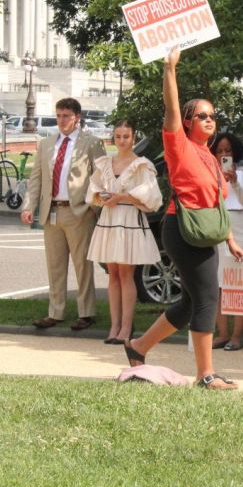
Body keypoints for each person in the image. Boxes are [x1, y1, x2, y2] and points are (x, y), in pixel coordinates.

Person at [122, 47, 243, 390]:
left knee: (192, 302)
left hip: (204, 232)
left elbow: (216, 204)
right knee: (208, 298)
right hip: (183, 230)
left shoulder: (209, 155)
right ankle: (206, 375)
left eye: (213, 116)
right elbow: (172, 108)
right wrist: (169, 70)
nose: (210, 120)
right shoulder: (180, 145)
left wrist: (231, 239)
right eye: (203, 115)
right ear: (189, 122)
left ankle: (138, 346)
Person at [21, 97, 106, 330]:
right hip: (52, 212)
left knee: (82, 265)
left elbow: (101, 179)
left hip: (78, 211)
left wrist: (95, 209)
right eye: (58, 115)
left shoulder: (91, 143)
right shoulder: (47, 144)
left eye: (66, 115)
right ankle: (55, 312)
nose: (61, 120)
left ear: (77, 117)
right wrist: (29, 206)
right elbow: (36, 178)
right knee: (55, 265)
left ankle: (86, 313)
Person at [86, 120, 163, 344]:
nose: (122, 141)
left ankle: (126, 327)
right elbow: (93, 189)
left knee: (126, 274)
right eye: (118, 136)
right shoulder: (104, 163)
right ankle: (114, 326)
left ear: (133, 138)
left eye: (126, 136)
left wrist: (123, 197)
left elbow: (150, 194)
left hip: (129, 219)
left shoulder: (142, 164)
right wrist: (102, 198)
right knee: (113, 274)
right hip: (110, 220)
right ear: (113, 138)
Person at [209, 132, 243, 351]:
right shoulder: (210, 173)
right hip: (217, 231)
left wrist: (236, 185)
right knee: (218, 285)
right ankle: (222, 333)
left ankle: (236, 336)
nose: (224, 155)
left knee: (241, 285)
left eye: (228, 150)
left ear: (235, 152)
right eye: (220, 151)